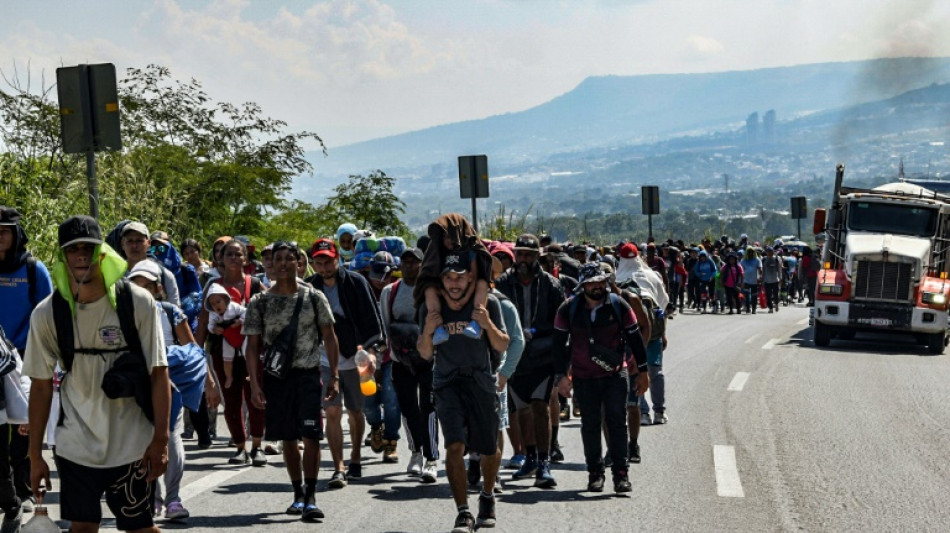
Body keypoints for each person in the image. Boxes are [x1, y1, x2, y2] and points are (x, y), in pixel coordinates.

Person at [25, 215, 171, 533]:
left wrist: (161, 441)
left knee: (139, 528)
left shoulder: (137, 303)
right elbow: (40, 385)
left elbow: (159, 374)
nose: (81, 255)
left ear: (102, 253)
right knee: (82, 527)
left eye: (88, 248)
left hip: (132, 441)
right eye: (72, 249)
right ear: (63, 257)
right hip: (75, 443)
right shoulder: (48, 313)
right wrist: (35, 456)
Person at [244, 241, 340, 522]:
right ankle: (297, 493)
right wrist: (254, 384)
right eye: (278, 259)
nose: (284, 264)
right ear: (270, 263)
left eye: (290, 258)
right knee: (287, 437)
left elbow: (330, 337)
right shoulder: (259, 302)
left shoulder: (313, 297)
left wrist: (333, 375)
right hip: (276, 378)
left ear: (300, 262)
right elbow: (252, 345)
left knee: (311, 436)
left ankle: (311, 496)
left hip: (308, 375)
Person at [417, 250, 510, 533]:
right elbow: (424, 354)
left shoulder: (487, 303)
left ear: (470, 277)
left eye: (459, 277)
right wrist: (429, 331)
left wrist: (486, 324)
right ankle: (463, 512)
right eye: (448, 277)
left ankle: (487, 496)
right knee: (454, 446)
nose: (454, 283)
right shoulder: (431, 307)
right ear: (441, 279)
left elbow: (503, 344)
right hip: (447, 383)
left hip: (481, 382)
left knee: (488, 448)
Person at [128, 260, 217, 521]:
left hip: (169, 380)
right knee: (144, 438)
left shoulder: (170, 312)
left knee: (170, 434)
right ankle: (151, 499)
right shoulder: (120, 313)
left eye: (147, 286)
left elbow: (193, 350)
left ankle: (173, 499)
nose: (142, 291)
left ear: (158, 288)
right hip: (136, 382)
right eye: (136, 286)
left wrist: (209, 383)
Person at [554, 262, 649, 493]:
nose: (597, 286)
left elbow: (636, 339)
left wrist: (643, 372)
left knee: (617, 422)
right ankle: (595, 473)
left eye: (600, 281)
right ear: (583, 285)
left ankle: (621, 474)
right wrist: (561, 376)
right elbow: (559, 346)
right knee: (590, 425)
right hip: (583, 377)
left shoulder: (619, 305)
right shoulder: (568, 309)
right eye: (591, 282)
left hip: (615, 374)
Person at [306, 239, 385, 488]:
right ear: (313, 264)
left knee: (355, 410)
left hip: (354, 355)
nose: (324, 267)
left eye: (328, 261)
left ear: (337, 259)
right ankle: (338, 466)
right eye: (318, 262)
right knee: (331, 411)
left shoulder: (355, 282)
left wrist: (371, 350)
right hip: (323, 357)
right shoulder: (309, 288)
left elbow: (372, 319)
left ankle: (355, 458)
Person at [494, 234, 564, 488]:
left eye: (529, 254)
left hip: (542, 356)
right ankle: (530, 456)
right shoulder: (502, 283)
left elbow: (561, 322)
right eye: (520, 254)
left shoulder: (551, 285)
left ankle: (544, 462)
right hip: (513, 357)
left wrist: (537, 333)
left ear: (538, 257)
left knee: (540, 405)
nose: (524, 259)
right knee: (520, 409)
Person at [0, 206, 53, 523]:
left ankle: (22, 494)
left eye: (4, 231)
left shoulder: (33, 270)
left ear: (16, 234)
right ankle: (8, 498)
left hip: (25, 360)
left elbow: (48, 317)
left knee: (23, 432)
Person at [195, 238, 267, 467]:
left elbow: (271, 310)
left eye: (239, 254)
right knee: (231, 399)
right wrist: (195, 352)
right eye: (229, 254)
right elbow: (203, 320)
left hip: (252, 349)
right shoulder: (212, 286)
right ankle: (239, 446)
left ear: (246, 259)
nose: (234, 258)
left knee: (256, 395)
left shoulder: (255, 284)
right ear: (221, 259)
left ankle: (257, 445)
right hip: (221, 349)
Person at [380, 248, 440, 482]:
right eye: (405, 262)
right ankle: (415, 453)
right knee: (408, 408)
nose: (409, 266)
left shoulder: (431, 290)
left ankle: (431, 458)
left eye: (414, 262)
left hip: (428, 359)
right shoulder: (390, 292)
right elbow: (385, 324)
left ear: (422, 265)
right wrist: (385, 354)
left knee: (429, 409)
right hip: (400, 360)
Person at [414, 214, 492, 346]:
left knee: (482, 283)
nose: (448, 241)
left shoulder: (470, 249)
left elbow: (475, 276)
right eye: (445, 237)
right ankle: (438, 328)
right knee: (429, 290)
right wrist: (448, 299)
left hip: (468, 287)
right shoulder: (438, 251)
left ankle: (476, 323)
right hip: (443, 288)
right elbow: (431, 277)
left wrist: (465, 299)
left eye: (451, 236)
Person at [363, 251, 402, 464]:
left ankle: (391, 442)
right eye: (376, 272)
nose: (380, 278)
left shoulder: (396, 290)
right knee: (368, 401)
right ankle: (375, 427)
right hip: (366, 355)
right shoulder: (362, 289)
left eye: (384, 273)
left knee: (391, 399)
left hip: (391, 356)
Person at [119, 221, 181, 307]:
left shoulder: (165, 275)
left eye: (139, 241)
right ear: (122, 243)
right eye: (130, 241)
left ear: (148, 243)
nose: (134, 245)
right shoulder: (114, 274)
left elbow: (175, 314)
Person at [205, 285, 247, 390]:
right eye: (213, 304)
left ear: (225, 299)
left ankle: (251, 373)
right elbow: (210, 325)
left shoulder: (234, 307)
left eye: (218, 302)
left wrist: (240, 321)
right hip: (227, 337)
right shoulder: (213, 314)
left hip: (241, 334)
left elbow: (246, 312)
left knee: (247, 353)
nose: (216, 306)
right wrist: (214, 329)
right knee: (227, 359)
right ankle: (229, 377)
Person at [739, 248, 762, 314]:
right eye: (749, 252)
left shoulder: (757, 260)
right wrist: (741, 281)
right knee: (746, 295)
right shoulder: (743, 260)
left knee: (754, 296)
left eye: (752, 252)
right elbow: (741, 270)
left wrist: (760, 277)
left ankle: (754, 309)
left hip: (754, 280)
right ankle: (748, 308)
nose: (750, 253)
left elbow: (760, 268)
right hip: (746, 280)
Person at [761, 247, 784, 313]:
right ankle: (770, 308)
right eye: (768, 251)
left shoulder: (777, 259)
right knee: (768, 295)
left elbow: (779, 269)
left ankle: (776, 304)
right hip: (767, 280)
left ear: (773, 252)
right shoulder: (764, 259)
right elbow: (763, 270)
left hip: (775, 280)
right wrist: (762, 279)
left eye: (771, 251)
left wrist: (780, 278)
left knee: (776, 294)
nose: (769, 253)